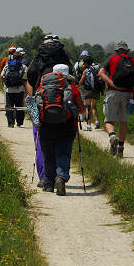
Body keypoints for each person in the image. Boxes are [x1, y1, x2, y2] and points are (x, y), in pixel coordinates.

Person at [37, 64, 85, 195]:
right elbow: (82, 109)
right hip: (67, 127)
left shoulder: (42, 87)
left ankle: (48, 184)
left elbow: (36, 106)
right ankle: (61, 178)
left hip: (46, 126)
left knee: (48, 155)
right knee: (63, 153)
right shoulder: (73, 89)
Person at [98, 41, 134, 158]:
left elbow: (101, 73)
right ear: (126, 51)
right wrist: (132, 83)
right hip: (128, 94)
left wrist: (111, 83)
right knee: (123, 122)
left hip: (112, 92)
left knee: (109, 120)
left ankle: (112, 137)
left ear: (117, 50)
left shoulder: (111, 59)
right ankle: (120, 147)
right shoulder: (132, 61)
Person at [1, 47, 27, 127]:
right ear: (21, 58)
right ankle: (19, 122)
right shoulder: (23, 66)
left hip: (9, 90)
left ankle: (11, 123)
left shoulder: (7, 66)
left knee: (9, 107)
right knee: (19, 106)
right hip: (20, 90)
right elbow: (26, 77)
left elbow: (2, 75)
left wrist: (5, 83)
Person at [78, 54, 103, 130]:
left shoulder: (86, 71)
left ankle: (88, 125)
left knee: (87, 107)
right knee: (94, 106)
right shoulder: (97, 68)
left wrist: (76, 86)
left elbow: (81, 82)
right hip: (96, 90)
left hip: (88, 91)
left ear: (86, 63)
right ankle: (97, 122)